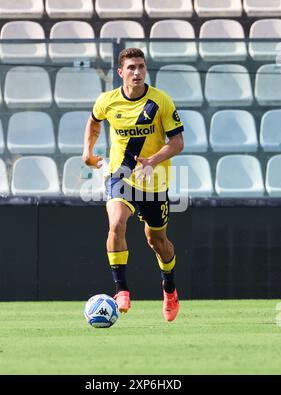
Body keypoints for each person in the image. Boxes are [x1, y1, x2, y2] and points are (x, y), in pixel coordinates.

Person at [82, 48, 184, 322]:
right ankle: (122, 289)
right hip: (120, 175)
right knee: (116, 222)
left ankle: (169, 287)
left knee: (157, 240)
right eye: (131, 67)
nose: (137, 72)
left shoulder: (160, 101)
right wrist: (87, 152)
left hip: (154, 181)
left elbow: (177, 143)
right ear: (121, 72)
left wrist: (152, 159)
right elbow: (93, 121)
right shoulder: (108, 101)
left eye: (140, 66)